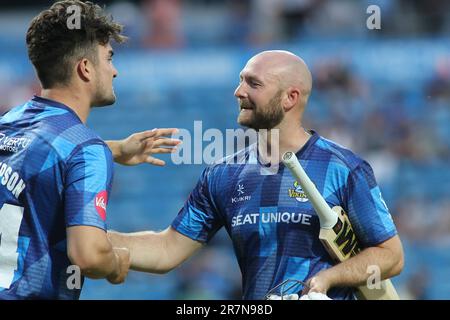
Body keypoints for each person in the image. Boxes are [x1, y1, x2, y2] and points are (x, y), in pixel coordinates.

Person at [109, 50, 404, 300]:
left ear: (290, 98)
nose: (239, 92)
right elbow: (167, 249)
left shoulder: (344, 168)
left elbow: (390, 255)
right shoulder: (222, 175)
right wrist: (98, 240)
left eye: (253, 83)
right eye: (240, 81)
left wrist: (328, 278)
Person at [0, 0, 179, 300]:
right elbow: (89, 255)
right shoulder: (86, 150)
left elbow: (38, 157)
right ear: (85, 68)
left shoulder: (9, 123)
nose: (115, 71)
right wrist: (115, 262)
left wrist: (114, 149)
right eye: (108, 58)